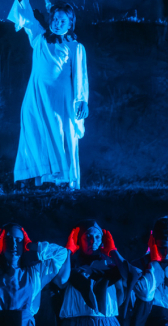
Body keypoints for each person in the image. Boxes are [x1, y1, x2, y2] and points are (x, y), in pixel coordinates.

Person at [6, 0, 88, 190]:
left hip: (61, 100)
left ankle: (64, 179)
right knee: (37, 133)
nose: (58, 23)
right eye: (56, 19)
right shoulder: (40, 39)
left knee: (62, 134)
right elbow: (27, 20)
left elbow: (80, 75)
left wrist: (82, 100)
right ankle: (40, 179)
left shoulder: (75, 47)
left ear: (69, 24)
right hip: (37, 97)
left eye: (63, 20)